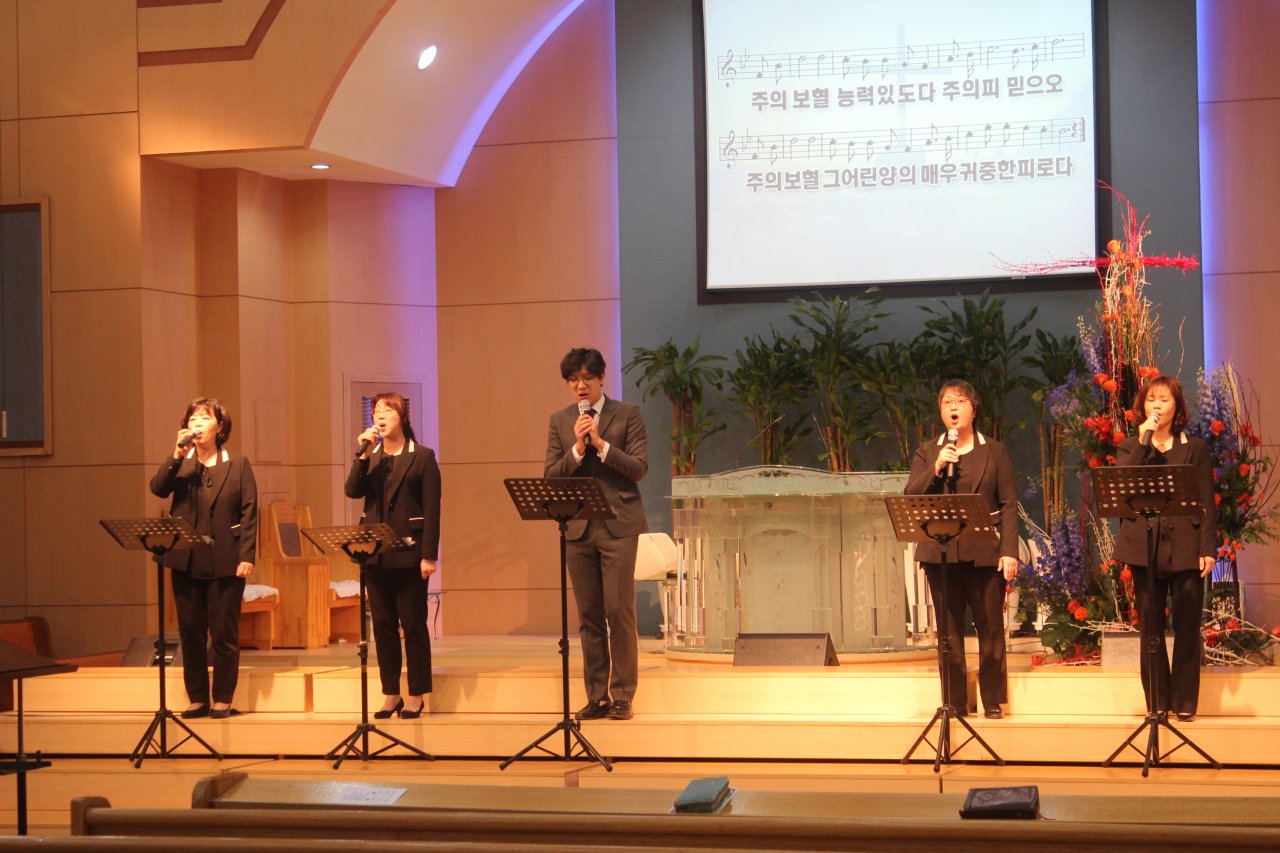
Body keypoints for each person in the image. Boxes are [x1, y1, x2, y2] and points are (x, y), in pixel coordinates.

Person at [905, 380, 1019, 719]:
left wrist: (1009, 551)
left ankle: (992, 700)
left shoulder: (994, 450)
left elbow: (1008, 503)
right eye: (946, 403)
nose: (953, 407)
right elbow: (911, 495)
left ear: (974, 408)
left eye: (959, 401)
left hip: (986, 552)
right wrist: (937, 468)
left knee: (990, 629)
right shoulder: (928, 451)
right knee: (949, 632)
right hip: (939, 553)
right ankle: (954, 701)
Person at [545, 348, 649, 721]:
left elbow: (639, 468)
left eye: (587, 378)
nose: (580, 385)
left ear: (602, 377)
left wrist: (601, 445)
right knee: (589, 614)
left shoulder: (628, 414)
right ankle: (596, 695)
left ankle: (622, 695)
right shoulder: (560, 421)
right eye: (573, 379)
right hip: (578, 527)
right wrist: (576, 448)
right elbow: (550, 476)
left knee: (618, 610)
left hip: (619, 525)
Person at [1114, 375, 1216, 722]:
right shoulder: (1131, 445)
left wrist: (1207, 548)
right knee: (1151, 630)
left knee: (1187, 625)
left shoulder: (1194, 447)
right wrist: (1143, 440)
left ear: (1177, 406)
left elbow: (1206, 501)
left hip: (1187, 545)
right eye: (1150, 399)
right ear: (1142, 405)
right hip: (1144, 546)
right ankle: (1157, 701)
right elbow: (1121, 483)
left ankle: (1184, 700)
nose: (1156, 405)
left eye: (1164, 400)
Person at [149, 397, 257, 720]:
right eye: (192, 418)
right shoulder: (182, 463)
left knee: (223, 634)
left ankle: (222, 698)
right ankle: (197, 698)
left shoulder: (238, 464)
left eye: (204, 417)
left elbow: (250, 511)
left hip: (226, 560)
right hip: (185, 560)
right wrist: (176, 454)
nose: (196, 423)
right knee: (190, 631)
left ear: (219, 426)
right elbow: (158, 488)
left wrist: (247, 554)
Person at [345, 392, 441, 720]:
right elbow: (352, 490)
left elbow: (432, 509)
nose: (380, 416)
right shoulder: (371, 457)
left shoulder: (422, 457)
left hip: (411, 554)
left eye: (387, 410)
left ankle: (416, 694)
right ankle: (391, 694)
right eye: (376, 411)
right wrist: (361, 455)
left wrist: (429, 555)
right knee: (383, 626)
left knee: (413, 625)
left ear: (402, 416)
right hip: (375, 554)